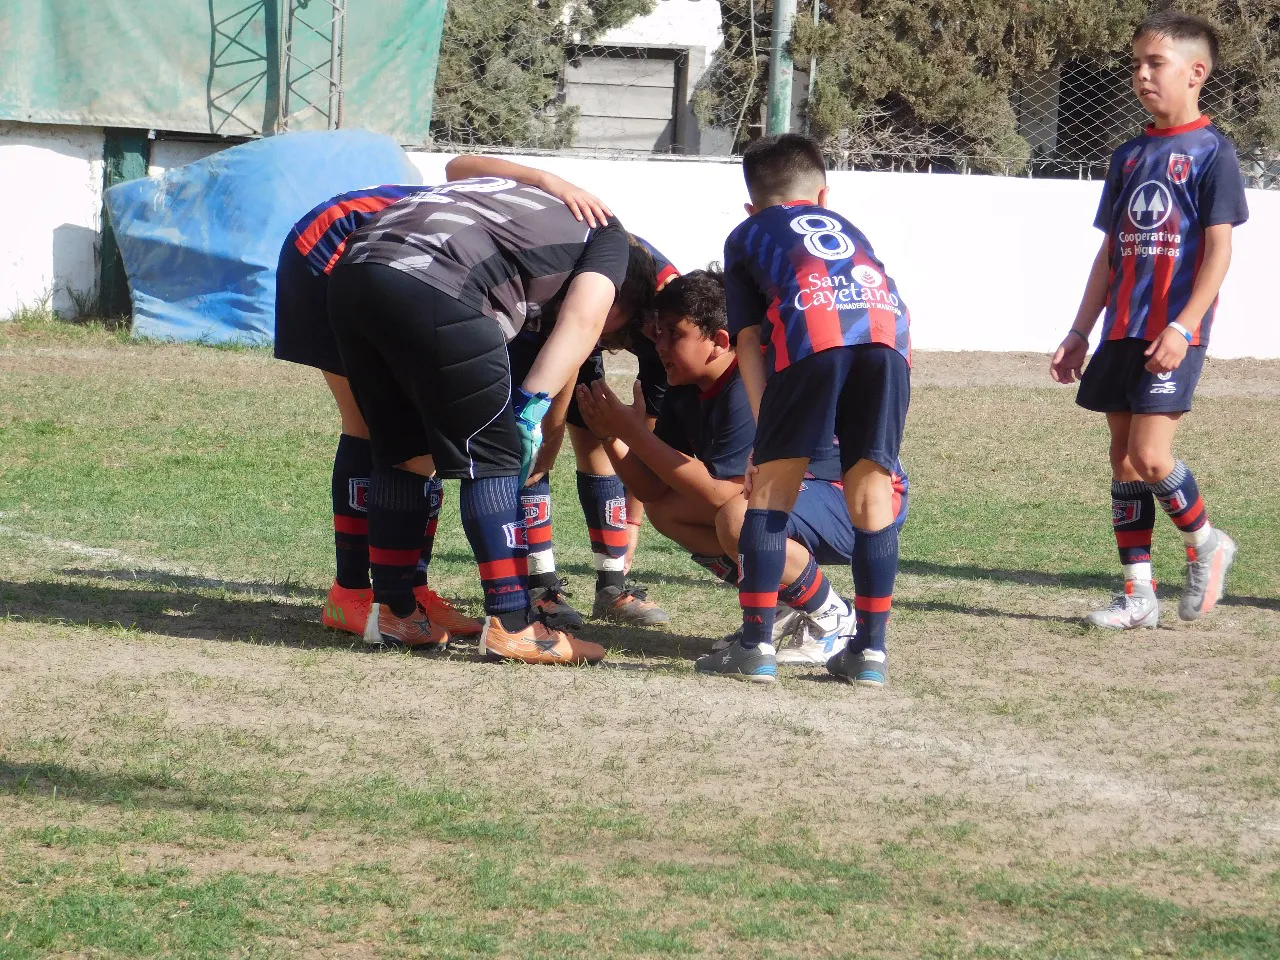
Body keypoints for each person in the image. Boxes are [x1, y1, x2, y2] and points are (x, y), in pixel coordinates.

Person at [326, 174, 657, 663]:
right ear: (623, 298)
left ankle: (395, 611)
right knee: (495, 455)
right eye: (620, 331)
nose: (605, 345)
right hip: (439, 284)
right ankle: (514, 623)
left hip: (355, 272)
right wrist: (529, 408)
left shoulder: (531, 209)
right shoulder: (609, 237)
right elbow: (583, 319)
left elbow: (460, 166)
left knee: (404, 452)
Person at [575, 269, 910, 669]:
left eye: (673, 333)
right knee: (669, 511)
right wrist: (612, 436)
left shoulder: (743, 385)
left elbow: (723, 492)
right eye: (657, 333)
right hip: (800, 496)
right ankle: (783, 599)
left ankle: (832, 615)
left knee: (740, 517)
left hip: (857, 501)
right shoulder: (686, 389)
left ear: (718, 341)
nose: (658, 344)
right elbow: (653, 490)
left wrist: (633, 429)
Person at [1050, 11, 1248, 629]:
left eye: (1154, 63)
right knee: (1123, 458)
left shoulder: (1214, 152)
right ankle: (1139, 594)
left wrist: (1184, 326)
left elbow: (1219, 252)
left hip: (1172, 331)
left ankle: (1209, 544)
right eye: (1136, 63)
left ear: (1196, 73)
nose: (1141, 75)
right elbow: (1109, 253)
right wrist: (1081, 329)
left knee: (1152, 455)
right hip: (1121, 330)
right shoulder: (1129, 154)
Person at [698, 133, 912, 687]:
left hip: (813, 336)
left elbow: (747, 339)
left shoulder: (746, 233)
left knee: (768, 496)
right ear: (822, 196)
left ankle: (756, 646)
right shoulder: (848, 226)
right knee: (871, 495)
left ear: (752, 205)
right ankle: (869, 653)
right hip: (889, 340)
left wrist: (766, 421)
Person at [443, 155, 674, 628]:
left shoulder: (659, 312)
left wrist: (633, 519)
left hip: (576, 317)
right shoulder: (586, 249)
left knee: (602, 439)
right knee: (531, 444)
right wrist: (546, 179)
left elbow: (646, 427)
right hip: (524, 324)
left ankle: (612, 583)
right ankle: (541, 585)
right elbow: (456, 166)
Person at [273, 183, 481, 644]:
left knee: (420, 435)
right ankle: (350, 592)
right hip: (330, 248)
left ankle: (411, 589)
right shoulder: (540, 236)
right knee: (372, 427)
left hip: (382, 259)